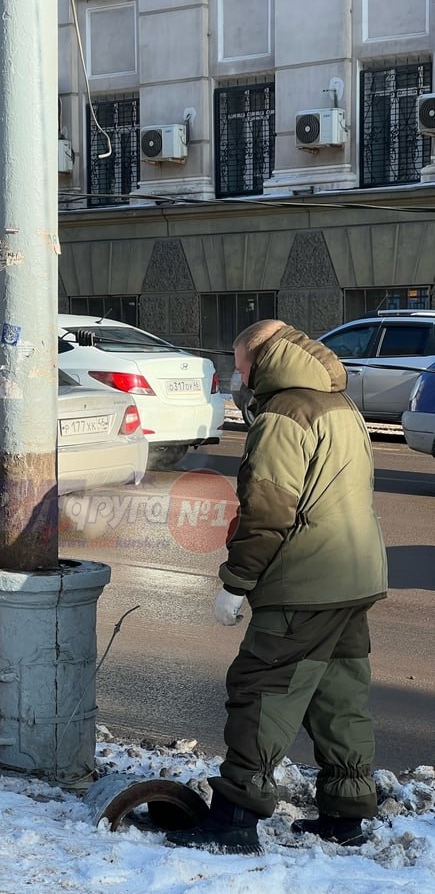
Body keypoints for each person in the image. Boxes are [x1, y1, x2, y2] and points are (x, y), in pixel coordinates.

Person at [167, 319, 387, 854]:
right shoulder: (339, 404)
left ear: (262, 359)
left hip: (304, 582)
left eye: (240, 364)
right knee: (338, 696)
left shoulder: (284, 415)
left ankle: (234, 820)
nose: (238, 376)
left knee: (261, 690)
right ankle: (345, 816)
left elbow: (267, 511)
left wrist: (236, 582)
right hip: (355, 574)